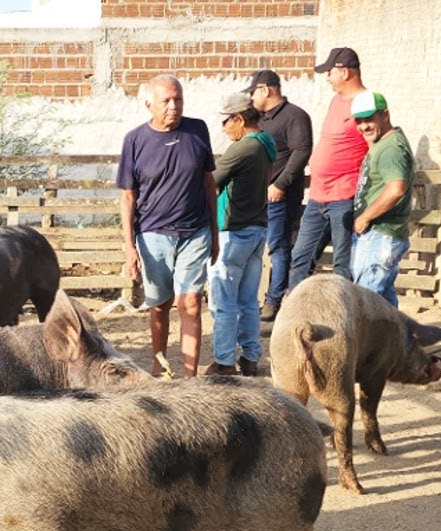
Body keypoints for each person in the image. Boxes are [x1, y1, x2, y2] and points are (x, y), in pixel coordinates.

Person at [118, 75, 219, 378]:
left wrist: (214, 232)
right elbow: (127, 196)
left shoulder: (197, 131)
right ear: (149, 104)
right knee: (159, 305)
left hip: (194, 231)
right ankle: (159, 363)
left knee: (190, 303)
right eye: (166, 101)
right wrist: (129, 246)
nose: (173, 106)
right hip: (153, 235)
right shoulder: (135, 140)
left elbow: (208, 182)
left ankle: (190, 376)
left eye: (178, 99)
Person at [285, 46, 368, 292]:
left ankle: (344, 318)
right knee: (300, 258)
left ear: (344, 72)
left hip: (344, 195)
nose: (328, 78)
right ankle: (296, 315)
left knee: (343, 264)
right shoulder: (336, 100)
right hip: (318, 196)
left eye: (330, 72)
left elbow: (373, 147)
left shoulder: (364, 103)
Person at [205, 93, 276, 377]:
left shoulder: (242, 148)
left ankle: (223, 362)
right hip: (257, 229)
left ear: (239, 119)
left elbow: (211, 182)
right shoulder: (266, 144)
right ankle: (250, 358)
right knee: (248, 301)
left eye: (226, 121)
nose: (223, 128)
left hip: (233, 232)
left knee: (223, 302)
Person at [244, 69, 312, 322]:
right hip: (260, 196)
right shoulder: (263, 119)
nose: (251, 99)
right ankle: (266, 299)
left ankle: (274, 301)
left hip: (278, 196)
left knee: (278, 246)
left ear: (265, 90)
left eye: (253, 93)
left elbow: (301, 151)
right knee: (262, 246)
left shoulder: (294, 116)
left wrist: (280, 184)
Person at [350, 91, 415, 307]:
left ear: (385, 115)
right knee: (383, 303)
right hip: (381, 235)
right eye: (359, 121)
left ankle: (369, 343)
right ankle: (397, 341)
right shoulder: (384, 143)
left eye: (369, 119)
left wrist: (364, 218)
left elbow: (396, 189)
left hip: (380, 234)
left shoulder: (390, 148)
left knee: (366, 303)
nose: (363, 126)